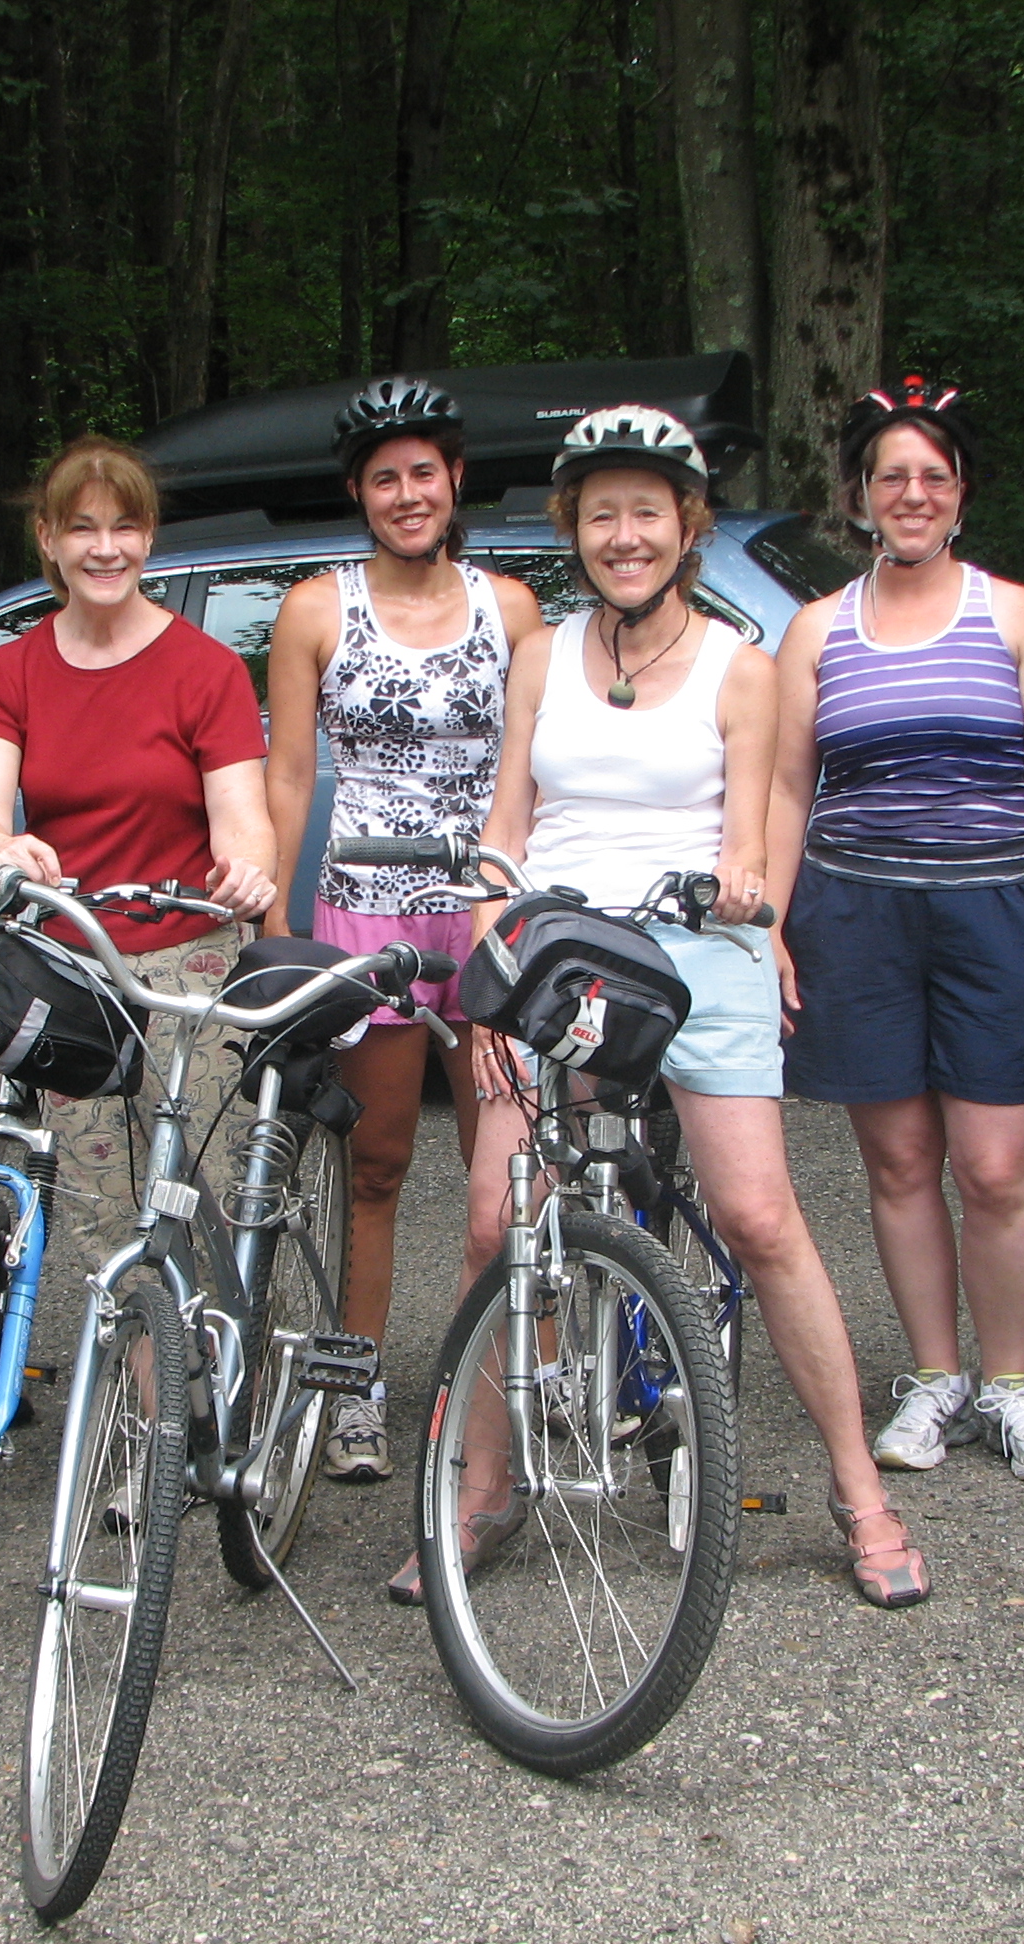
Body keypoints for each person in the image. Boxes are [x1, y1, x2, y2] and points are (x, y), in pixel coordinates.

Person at [413, 403, 928, 1610]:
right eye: (603, 515)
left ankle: (864, 1494)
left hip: (695, 944)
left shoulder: (743, 670)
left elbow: (752, 839)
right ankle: (483, 1489)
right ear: (574, 531)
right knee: (498, 1220)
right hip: (560, 943)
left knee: (757, 1214)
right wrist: (492, 982)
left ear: (688, 527)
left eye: (648, 512)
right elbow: (507, 833)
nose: (625, 535)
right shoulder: (542, 659)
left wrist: (749, 885)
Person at [767, 379, 1024, 1483]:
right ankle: (934, 1376)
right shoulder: (818, 630)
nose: (912, 494)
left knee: (996, 1164)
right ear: (861, 497)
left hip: (997, 911)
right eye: (891, 477)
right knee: (901, 1159)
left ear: (959, 495)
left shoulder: (1016, 616)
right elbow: (783, 787)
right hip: (855, 914)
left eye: (934, 477)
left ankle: (1011, 1385)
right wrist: (769, 923)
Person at [261, 378, 540, 1483]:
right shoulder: (315, 609)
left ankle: (508, 1383)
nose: (408, 493)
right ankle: (356, 1385)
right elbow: (287, 771)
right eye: (386, 477)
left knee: (502, 1164)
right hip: (363, 907)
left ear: (454, 479)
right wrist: (281, 916)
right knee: (374, 1163)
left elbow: (537, 768)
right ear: (357, 493)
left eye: (424, 471)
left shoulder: (510, 606)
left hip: (481, 907)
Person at [0, 436, 275, 1259]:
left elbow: (244, 821)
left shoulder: (206, 670)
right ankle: (136, 1385)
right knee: (105, 1225)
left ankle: (213, 1376)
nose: (105, 548)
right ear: (49, 539)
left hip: (186, 959)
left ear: (149, 536)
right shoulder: (13, 671)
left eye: (125, 526)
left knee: (196, 1207)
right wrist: (1, 847)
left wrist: (244, 872)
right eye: (84, 528)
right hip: (70, 965)